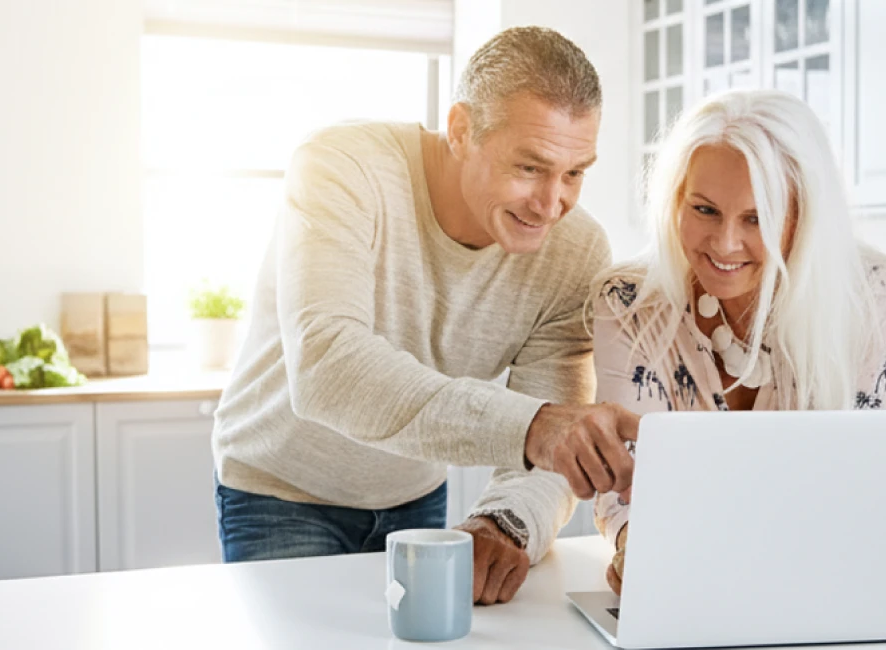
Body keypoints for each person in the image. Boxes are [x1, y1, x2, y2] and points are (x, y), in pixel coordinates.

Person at [210, 26, 638, 606]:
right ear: (460, 130)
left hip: (414, 495)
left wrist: (507, 523)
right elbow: (326, 366)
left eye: (575, 173)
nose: (550, 203)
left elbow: (550, 444)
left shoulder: (575, 250)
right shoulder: (342, 168)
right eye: (530, 167)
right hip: (281, 492)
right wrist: (535, 425)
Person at [586, 89, 886, 593]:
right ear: (674, 201)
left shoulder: (873, 298)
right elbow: (627, 478)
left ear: (806, 216)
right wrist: (636, 546)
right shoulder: (629, 302)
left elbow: (862, 484)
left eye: (758, 217)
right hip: (685, 582)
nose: (726, 244)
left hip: (821, 582)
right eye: (704, 210)